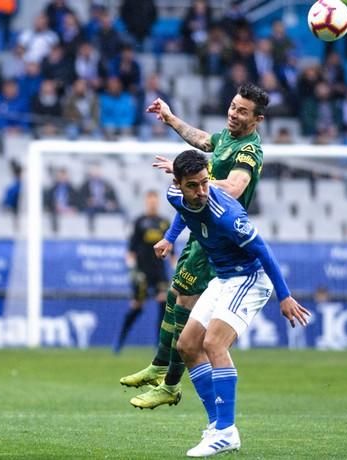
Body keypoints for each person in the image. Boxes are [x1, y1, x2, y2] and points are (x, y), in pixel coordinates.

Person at [120, 82, 269, 410]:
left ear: (256, 120)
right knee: (176, 296)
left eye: (243, 111)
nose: (233, 113)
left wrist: (194, 180)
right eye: (233, 106)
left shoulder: (249, 151)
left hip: (220, 234)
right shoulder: (227, 139)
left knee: (185, 302)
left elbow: (233, 187)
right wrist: (171, 119)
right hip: (201, 231)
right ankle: (162, 369)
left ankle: (168, 381)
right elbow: (202, 140)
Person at [156, 150, 309, 456]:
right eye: (193, 186)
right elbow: (183, 211)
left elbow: (264, 253)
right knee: (186, 345)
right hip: (224, 278)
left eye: (204, 183)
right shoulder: (175, 193)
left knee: (214, 344)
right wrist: (170, 238)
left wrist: (285, 296)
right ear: (178, 183)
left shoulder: (227, 215)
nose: (201, 192)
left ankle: (227, 431)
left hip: (250, 278)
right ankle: (216, 426)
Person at [114, 190, 172, 354]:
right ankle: (120, 340)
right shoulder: (140, 222)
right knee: (137, 307)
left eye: (155, 200)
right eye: (150, 200)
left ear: (158, 202)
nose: (152, 203)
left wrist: (175, 265)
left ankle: (159, 344)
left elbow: (171, 249)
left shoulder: (164, 222)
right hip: (143, 272)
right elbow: (131, 250)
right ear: (146, 202)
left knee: (163, 303)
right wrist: (133, 270)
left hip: (160, 271)